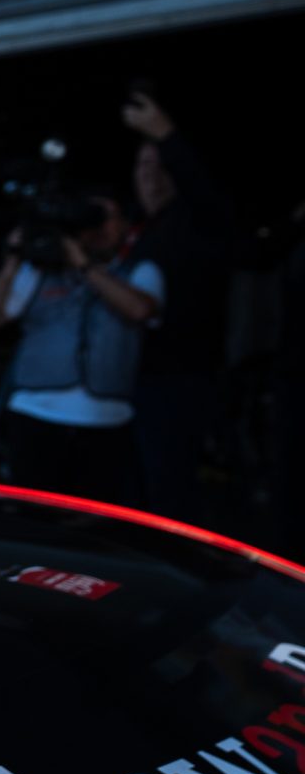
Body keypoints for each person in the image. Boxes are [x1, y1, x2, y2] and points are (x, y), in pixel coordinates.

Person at [0, 189, 162, 504]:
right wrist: (12, 264)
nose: (98, 228)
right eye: (91, 217)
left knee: (99, 521)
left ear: (125, 225)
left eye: (106, 218)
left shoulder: (139, 271)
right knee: (33, 516)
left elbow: (140, 310)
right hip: (35, 415)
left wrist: (83, 265)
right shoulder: (38, 272)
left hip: (107, 422)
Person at [122, 89, 231, 520]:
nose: (150, 175)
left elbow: (204, 193)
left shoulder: (191, 223)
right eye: (142, 165)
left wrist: (165, 134)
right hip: (135, 381)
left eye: (159, 165)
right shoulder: (139, 231)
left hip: (180, 381)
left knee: (172, 494)